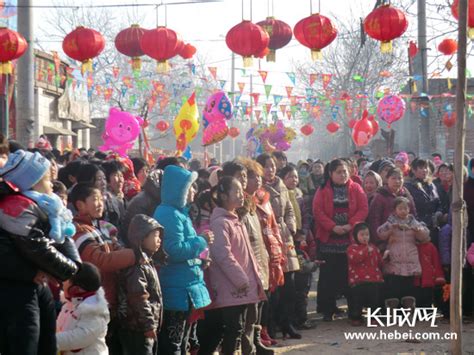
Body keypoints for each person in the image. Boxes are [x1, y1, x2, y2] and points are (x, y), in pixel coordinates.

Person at [0, 150, 80, 355]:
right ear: (32, 182)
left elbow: (60, 239)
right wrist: (71, 268)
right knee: (26, 343)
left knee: (46, 342)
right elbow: (36, 246)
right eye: (47, 179)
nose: (52, 183)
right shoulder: (17, 207)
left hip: (34, 284)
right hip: (17, 289)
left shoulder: (45, 205)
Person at [198, 176, 265, 355]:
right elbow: (223, 255)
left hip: (242, 286)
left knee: (240, 328)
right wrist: (241, 279)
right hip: (232, 287)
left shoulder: (235, 219)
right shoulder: (220, 223)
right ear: (223, 196)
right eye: (235, 191)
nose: (240, 194)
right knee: (233, 330)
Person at [70, 183, 137, 354]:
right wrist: (135, 255)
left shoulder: (103, 227)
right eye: (95, 199)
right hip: (94, 303)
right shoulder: (79, 230)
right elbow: (100, 261)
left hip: (110, 300)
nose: (100, 203)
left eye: (101, 199)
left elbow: (115, 250)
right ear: (80, 205)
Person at [153, 165, 213, 355]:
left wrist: (200, 259)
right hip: (176, 287)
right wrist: (201, 241)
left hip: (185, 285)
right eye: (190, 187)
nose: (193, 191)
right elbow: (174, 250)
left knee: (183, 341)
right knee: (173, 344)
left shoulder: (179, 212)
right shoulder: (168, 214)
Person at [312, 158, 368, 321]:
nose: (343, 175)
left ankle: (354, 311)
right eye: (339, 172)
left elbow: (363, 209)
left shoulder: (356, 188)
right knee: (328, 276)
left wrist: (351, 225)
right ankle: (328, 310)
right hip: (329, 240)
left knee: (351, 276)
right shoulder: (322, 189)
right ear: (331, 173)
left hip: (350, 240)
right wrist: (333, 227)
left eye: (345, 171)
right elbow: (318, 211)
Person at [256, 153, 301, 339]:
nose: (270, 169)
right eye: (266, 166)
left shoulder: (281, 185)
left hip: (285, 236)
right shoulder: (258, 189)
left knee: (289, 286)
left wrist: (291, 224)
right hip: (268, 238)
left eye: (273, 166)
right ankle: (270, 326)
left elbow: (289, 208)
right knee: (274, 289)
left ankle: (287, 323)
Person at [118, 214, 163, 355]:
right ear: (142, 238)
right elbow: (139, 297)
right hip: (138, 328)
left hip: (144, 327)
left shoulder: (147, 262)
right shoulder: (137, 266)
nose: (159, 240)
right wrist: (148, 325)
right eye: (155, 236)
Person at [377, 197, 430, 309]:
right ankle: (393, 311)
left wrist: (418, 230)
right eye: (400, 208)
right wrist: (391, 229)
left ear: (409, 209)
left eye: (405, 208)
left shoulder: (413, 221)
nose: (403, 211)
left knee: (409, 285)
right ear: (395, 210)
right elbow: (380, 233)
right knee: (394, 285)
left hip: (410, 256)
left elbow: (425, 236)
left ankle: (408, 311)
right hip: (395, 256)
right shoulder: (390, 221)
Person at [56, 262, 110, 355]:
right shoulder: (70, 305)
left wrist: (49, 340)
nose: (63, 282)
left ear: (76, 289)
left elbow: (79, 338)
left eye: (67, 280)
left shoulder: (94, 310)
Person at [368, 168, 416, 250]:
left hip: (405, 239)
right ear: (387, 179)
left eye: (400, 178)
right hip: (386, 239)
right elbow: (374, 219)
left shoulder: (406, 194)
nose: (397, 181)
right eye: (393, 178)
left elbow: (413, 214)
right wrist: (379, 241)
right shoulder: (380, 196)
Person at [346, 223, 383, 326]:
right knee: (357, 300)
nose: (365, 237)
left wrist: (385, 257)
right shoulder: (352, 248)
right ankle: (356, 318)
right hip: (358, 280)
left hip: (373, 279)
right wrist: (366, 250)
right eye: (362, 235)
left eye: (367, 234)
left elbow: (379, 262)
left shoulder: (373, 247)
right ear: (355, 236)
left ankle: (374, 318)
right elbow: (356, 259)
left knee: (374, 300)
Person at [405, 158, 442, 246]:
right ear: (413, 170)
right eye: (421, 168)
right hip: (417, 229)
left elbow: (438, 202)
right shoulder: (408, 186)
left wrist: (438, 212)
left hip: (433, 227)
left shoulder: (431, 185)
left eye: (426, 167)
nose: (425, 170)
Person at [414, 239, 445, 308]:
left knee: (427, 297)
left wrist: (438, 276)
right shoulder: (412, 245)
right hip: (417, 277)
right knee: (418, 298)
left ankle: (426, 314)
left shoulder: (430, 246)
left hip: (427, 277)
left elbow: (436, 262)